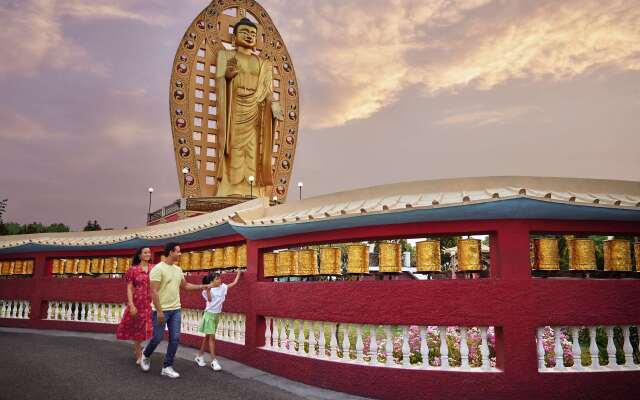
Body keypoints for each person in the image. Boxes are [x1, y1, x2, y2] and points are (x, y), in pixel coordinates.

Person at [215, 17, 284, 197]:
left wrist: (274, 104)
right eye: (244, 32)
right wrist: (227, 78)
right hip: (235, 106)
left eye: (253, 33)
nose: (249, 36)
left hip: (256, 108)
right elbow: (220, 81)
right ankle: (231, 189)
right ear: (234, 36)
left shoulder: (264, 64)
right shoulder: (226, 55)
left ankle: (252, 190)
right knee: (235, 147)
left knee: (253, 150)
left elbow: (268, 91)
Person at [139, 242, 211, 378]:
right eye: (178, 251)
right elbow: (153, 292)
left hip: (176, 309)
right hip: (161, 310)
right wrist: (159, 311)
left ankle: (167, 366)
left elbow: (186, 286)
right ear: (170, 252)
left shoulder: (178, 269)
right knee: (157, 338)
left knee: (175, 338)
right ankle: (146, 354)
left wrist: (203, 286)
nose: (180, 253)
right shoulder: (158, 269)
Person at [194, 270, 242, 371]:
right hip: (209, 316)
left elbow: (233, 284)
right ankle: (214, 361)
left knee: (207, 337)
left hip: (216, 316)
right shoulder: (206, 290)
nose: (220, 280)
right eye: (217, 279)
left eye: (220, 278)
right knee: (212, 338)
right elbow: (210, 300)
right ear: (212, 281)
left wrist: (238, 274)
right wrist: (208, 290)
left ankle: (199, 356)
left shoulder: (223, 287)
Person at [116, 247, 154, 364]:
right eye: (145, 252)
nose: (148, 254)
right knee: (138, 329)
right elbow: (129, 288)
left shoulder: (154, 268)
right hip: (138, 302)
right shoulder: (133, 270)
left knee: (149, 330)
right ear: (139, 255)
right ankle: (138, 354)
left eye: (149, 252)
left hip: (151, 303)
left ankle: (143, 351)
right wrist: (131, 304)